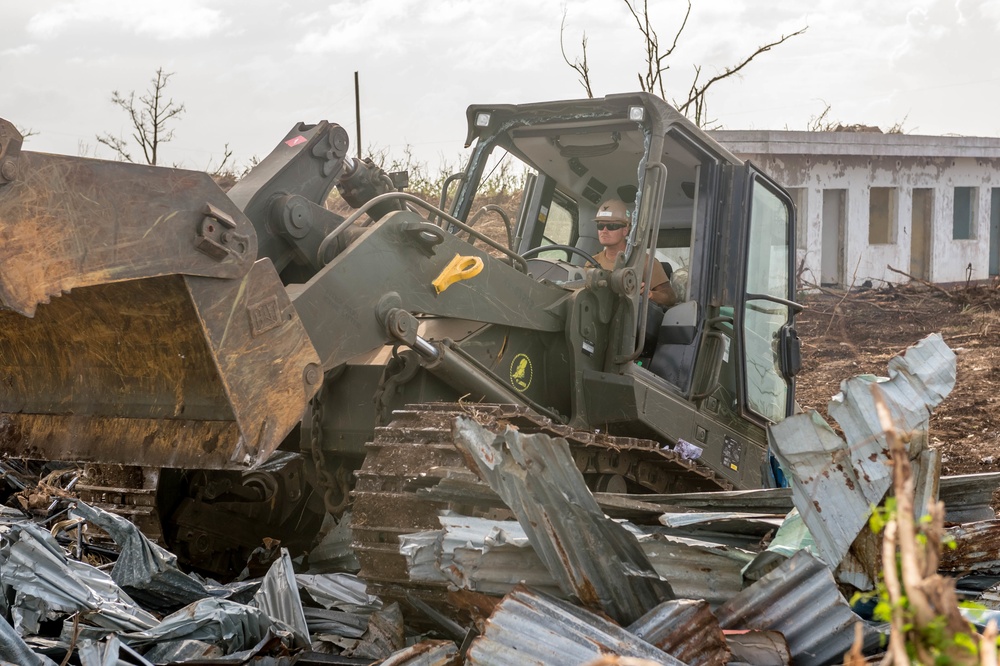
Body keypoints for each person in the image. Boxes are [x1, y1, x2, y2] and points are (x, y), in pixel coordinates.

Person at [592, 198, 676, 308]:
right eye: (600, 226)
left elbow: (670, 297)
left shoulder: (644, 262)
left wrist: (648, 294)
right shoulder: (592, 262)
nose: (604, 230)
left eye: (611, 226)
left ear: (625, 230)